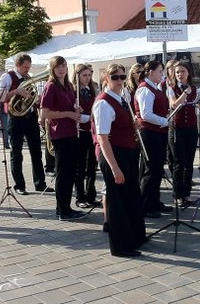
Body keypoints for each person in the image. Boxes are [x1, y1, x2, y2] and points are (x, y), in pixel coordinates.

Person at [93, 64, 145, 257]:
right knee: (118, 202)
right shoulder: (103, 103)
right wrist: (115, 169)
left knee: (131, 196)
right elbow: (102, 138)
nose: (120, 81)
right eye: (115, 77)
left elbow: (121, 125)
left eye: (122, 77)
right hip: (114, 154)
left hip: (127, 152)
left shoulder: (122, 98)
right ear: (106, 78)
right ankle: (120, 246)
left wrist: (133, 126)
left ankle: (134, 238)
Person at [0, 53, 53, 195]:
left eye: (29, 67)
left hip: (31, 117)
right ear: (17, 65)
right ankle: (19, 185)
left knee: (36, 152)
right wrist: (16, 91)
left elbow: (32, 98)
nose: (27, 70)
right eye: (25, 67)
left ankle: (40, 183)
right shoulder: (7, 77)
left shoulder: (29, 78)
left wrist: (36, 99)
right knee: (16, 153)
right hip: (16, 119)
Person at [39, 56, 83, 220]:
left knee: (70, 172)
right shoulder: (51, 86)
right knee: (63, 173)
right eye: (57, 66)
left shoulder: (69, 86)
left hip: (71, 132)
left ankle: (66, 207)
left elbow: (70, 107)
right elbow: (45, 113)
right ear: (52, 68)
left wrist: (76, 109)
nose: (61, 69)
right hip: (60, 134)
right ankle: (62, 210)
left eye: (63, 66)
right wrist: (69, 114)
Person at [134, 60, 172, 219]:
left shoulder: (154, 88)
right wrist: (165, 121)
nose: (162, 74)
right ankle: (145, 205)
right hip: (149, 133)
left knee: (157, 169)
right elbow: (146, 114)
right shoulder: (145, 89)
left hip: (158, 132)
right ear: (150, 72)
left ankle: (154, 201)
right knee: (151, 170)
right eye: (160, 71)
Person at [166, 61, 198, 207]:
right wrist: (185, 93)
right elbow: (174, 104)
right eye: (177, 72)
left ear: (188, 73)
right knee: (179, 163)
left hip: (191, 128)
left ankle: (186, 193)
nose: (179, 74)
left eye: (182, 71)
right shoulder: (171, 89)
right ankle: (177, 195)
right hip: (177, 129)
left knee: (189, 163)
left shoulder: (195, 89)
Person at [73, 63, 99, 208]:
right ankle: (80, 197)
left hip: (92, 132)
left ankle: (91, 195)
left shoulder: (93, 90)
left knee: (92, 166)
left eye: (89, 75)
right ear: (77, 76)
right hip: (80, 133)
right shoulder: (73, 91)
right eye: (84, 75)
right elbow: (77, 116)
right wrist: (88, 117)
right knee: (80, 166)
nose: (87, 78)